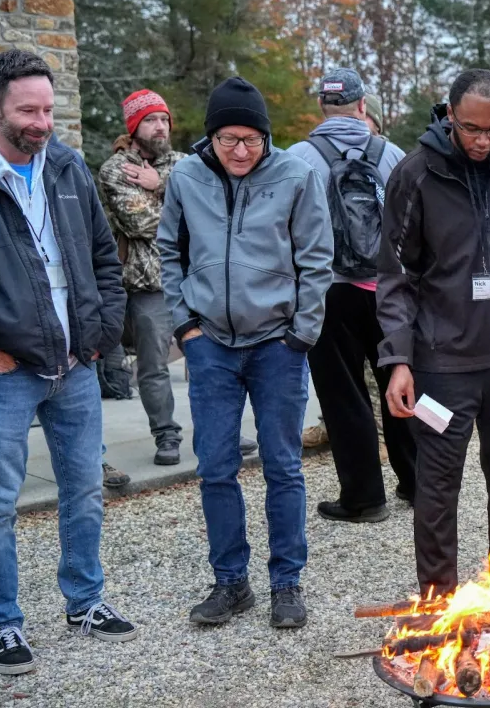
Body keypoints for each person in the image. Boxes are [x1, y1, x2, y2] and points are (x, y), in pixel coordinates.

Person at [159, 77, 333, 629]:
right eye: (228, 138)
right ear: (210, 138)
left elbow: (315, 259)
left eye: (251, 139)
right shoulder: (185, 177)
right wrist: (184, 324)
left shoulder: (297, 176)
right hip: (210, 343)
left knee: (283, 467)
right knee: (215, 467)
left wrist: (301, 333)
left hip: (277, 343)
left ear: (267, 137)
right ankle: (231, 582)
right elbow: (169, 250)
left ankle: (287, 582)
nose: (239, 150)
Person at [0, 49, 138, 676]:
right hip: (5, 370)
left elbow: (106, 258)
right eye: (27, 110)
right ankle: (1, 624)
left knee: (84, 491)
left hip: (75, 361)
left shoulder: (69, 167)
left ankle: (85, 601)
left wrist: (100, 335)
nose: (42, 121)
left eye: (48, 108)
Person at [377, 69, 490, 598]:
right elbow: (395, 275)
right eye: (472, 128)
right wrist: (398, 359)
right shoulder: (415, 175)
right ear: (450, 115)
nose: (482, 141)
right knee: (436, 489)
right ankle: (439, 603)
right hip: (443, 363)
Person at [286, 68, 415, 523]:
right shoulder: (392, 153)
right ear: (363, 107)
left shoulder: (297, 157)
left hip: (328, 292)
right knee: (399, 385)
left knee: (343, 394)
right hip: (389, 291)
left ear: (322, 107)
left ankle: (364, 498)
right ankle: (417, 483)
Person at [96, 89, 185, 466]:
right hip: (148, 285)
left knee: (216, 361)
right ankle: (166, 435)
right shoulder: (115, 170)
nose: (160, 126)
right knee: (153, 367)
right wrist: (175, 198)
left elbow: (211, 212)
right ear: (134, 127)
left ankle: (226, 430)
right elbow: (141, 222)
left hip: (194, 278)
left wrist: (159, 186)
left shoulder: (182, 163)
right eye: (151, 120)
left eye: (164, 119)